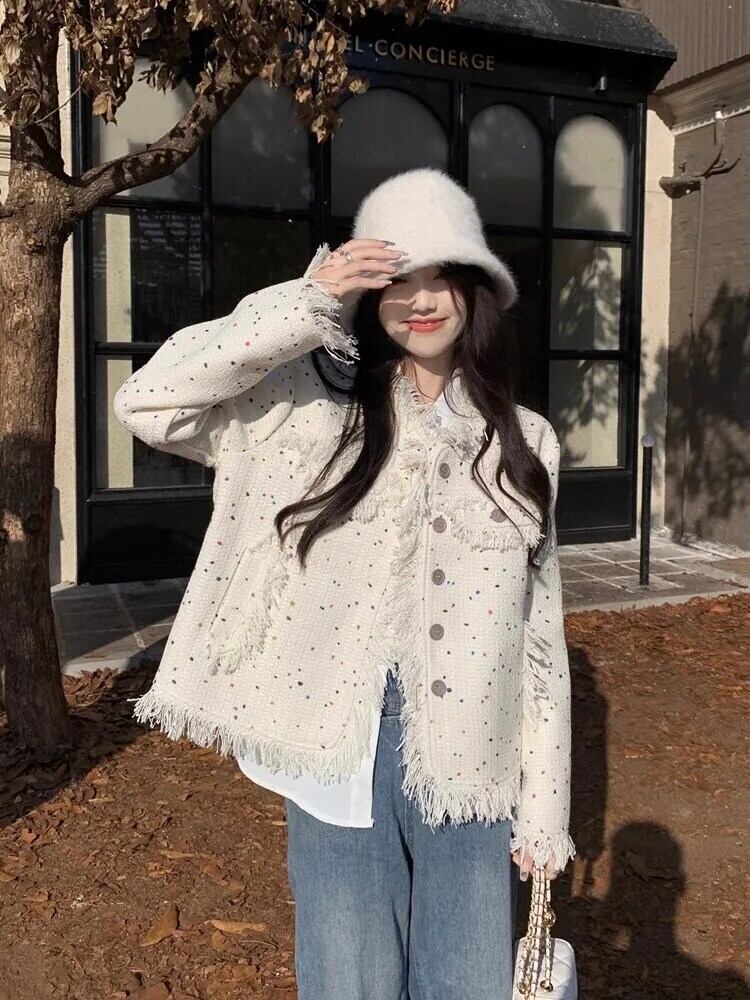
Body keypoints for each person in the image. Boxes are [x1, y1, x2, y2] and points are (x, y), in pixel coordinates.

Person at [114, 166, 574, 999]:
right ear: (369, 294)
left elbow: (539, 639)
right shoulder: (307, 407)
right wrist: (309, 297)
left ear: (475, 290)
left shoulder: (526, 440)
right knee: (347, 983)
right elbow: (150, 401)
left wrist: (546, 807)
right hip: (337, 747)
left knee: (467, 983)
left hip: (473, 759)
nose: (419, 300)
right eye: (395, 279)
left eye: (441, 276)